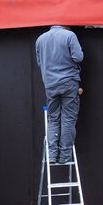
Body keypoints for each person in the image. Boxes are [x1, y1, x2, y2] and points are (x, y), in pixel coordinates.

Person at [35, 25, 84, 164]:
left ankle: (52, 155)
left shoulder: (40, 39)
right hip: (69, 81)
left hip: (50, 84)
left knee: (53, 118)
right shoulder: (69, 36)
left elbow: (40, 62)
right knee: (68, 118)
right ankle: (64, 156)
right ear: (66, 24)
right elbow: (78, 57)